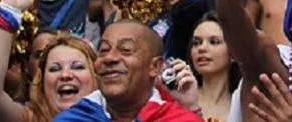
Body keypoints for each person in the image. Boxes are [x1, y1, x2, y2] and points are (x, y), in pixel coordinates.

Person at [0, 0, 98, 122]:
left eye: (77, 67)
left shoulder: (116, 115)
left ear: (97, 76)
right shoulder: (30, 118)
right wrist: (9, 9)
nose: (65, 75)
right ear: (41, 82)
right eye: (54, 69)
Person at [54, 20, 203, 121]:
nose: (110, 58)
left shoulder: (179, 119)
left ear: (155, 67)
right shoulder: (73, 118)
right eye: (104, 50)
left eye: (125, 50)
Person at [189, 12, 241, 121]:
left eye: (214, 42)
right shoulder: (178, 99)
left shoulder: (243, 105)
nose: (201, 48)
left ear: (234, 53)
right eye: (196, 43)